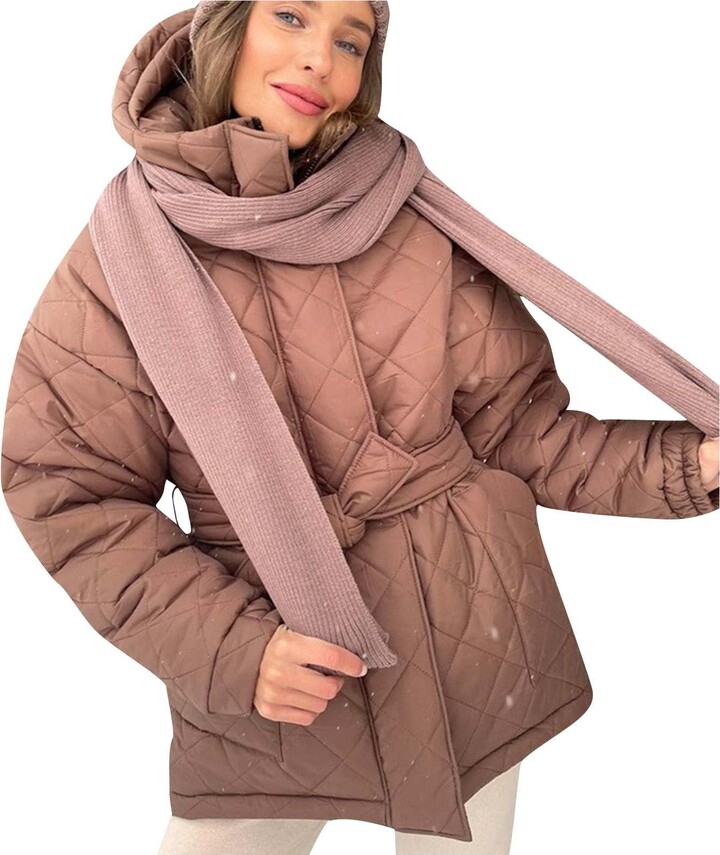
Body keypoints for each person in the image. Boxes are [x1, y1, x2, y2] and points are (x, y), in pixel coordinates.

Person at [1, 3, 717, 855]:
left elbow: (519, 429)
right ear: (223, 26)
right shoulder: (121, 259)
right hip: (282, 670)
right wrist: (235, 648)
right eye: (291, 16)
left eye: (351, 40)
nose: (321, 59)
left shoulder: (403, 211)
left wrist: (690, 465)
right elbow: (69, 490)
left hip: (468, 641)